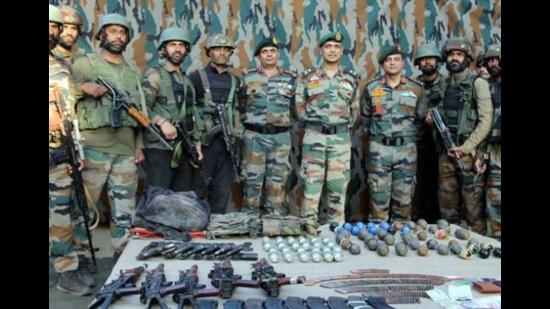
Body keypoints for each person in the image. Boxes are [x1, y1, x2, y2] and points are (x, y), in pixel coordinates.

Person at [72, 13, 146, 257]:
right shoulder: (86, 64)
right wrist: (81, 88)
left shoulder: (132, 70)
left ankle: (122, 258)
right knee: (84, 209)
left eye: (122, 32)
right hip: (94, 148)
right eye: (112, 31)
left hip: (125, 151)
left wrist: (138, 145)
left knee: (125, 212)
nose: (117, 36)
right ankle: (79, 259)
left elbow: (138, 113)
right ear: (102, 35)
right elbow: (62, 95)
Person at [425, 38, 493, 234]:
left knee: (474, 210)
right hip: (446, 154)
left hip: (468, 155)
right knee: (447, 207)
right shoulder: (443, 85)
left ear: (467, 58)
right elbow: (436, 108)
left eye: (459, 55)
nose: (455, 58)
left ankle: (477, 250)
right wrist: (430, 115)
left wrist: (466, 148)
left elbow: (485, 121)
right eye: (451, 55)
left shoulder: (478, 83)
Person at [295, 32, 360, 234]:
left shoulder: (350, 78)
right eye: (328, 46)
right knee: (311, 183)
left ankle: (335, 229)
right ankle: (309, 227)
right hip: (314, 135)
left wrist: (340, 127)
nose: (332, 50)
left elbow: (355, 109)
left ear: (341, 51)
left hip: (340, 138)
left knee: (337, 186)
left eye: (336, 47)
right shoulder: (308, 77)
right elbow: (299, 106)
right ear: (321, 50)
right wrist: (314, 124)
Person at [49, 4, 94, 296]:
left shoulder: (59, 65)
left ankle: (66, 270)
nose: (51, 32)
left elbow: (70, 110)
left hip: (59, 151)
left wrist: (77, 149)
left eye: (53, 27)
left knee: (62, 213)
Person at [361, 44, 427, 223]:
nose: (392, 63)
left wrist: (407, 139)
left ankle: (401, 238)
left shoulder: (416, 89)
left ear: (402, 63)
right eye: (388, 60)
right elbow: (366, 119)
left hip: (406, 151)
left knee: (404, 200)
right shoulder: (372, 88)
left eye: (396, 59)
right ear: (382, 64)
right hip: (379, 150)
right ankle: (377, 235)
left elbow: (421, 121)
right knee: (377, 198)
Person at [240, 37, 297, 218]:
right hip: (254, 136)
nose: (269, 54)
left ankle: (275, 220)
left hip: (280, 138)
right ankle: (249, 221)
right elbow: (238, 107)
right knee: (252, 180)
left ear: (278, 54)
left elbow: (298, 107)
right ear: (258, 56)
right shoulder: (248, 78)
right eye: (265, 51)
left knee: (278, 182)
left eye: (272, 51)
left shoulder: (290, 78)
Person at [142, 27, 203, 191]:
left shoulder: (187, 81)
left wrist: (196, 144)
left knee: (181, 198)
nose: (177, 49)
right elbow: (140, 109)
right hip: (160, 148)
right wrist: (161, 122)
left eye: (181, 45)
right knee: (158, 197)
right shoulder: (154, 75)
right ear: (163, 49)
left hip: (183, 147)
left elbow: (193, 114)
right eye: (172, 45)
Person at [189, 34, 243, 214]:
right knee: (197, 189)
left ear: (230, 53)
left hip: (226, 146)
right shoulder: (196, 78)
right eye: (217, 49)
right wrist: (193, 142)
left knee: (222, 191)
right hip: (202, 145)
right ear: (209, 52)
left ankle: (216, 229)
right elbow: (188, 111)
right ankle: (195, 229)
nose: (222, 53)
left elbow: (238, 111)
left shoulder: (235, 81)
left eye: (226, 49)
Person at [411, 42, 444, 222]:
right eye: (423, 60)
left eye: (430, 58)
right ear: (418, 64)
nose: (427, 63)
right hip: (418, 143)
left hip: (441, 144)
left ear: (437, 61)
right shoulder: (413, 85)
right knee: (418, 186)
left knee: (441, 186)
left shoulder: (447, 84)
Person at [475, 43, 501, 239]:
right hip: (495, 151)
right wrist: (482, 154)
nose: (494, 63)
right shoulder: (487, 89)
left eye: (497, 59)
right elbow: (485, 125)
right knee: (494, 200)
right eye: (490, 60)